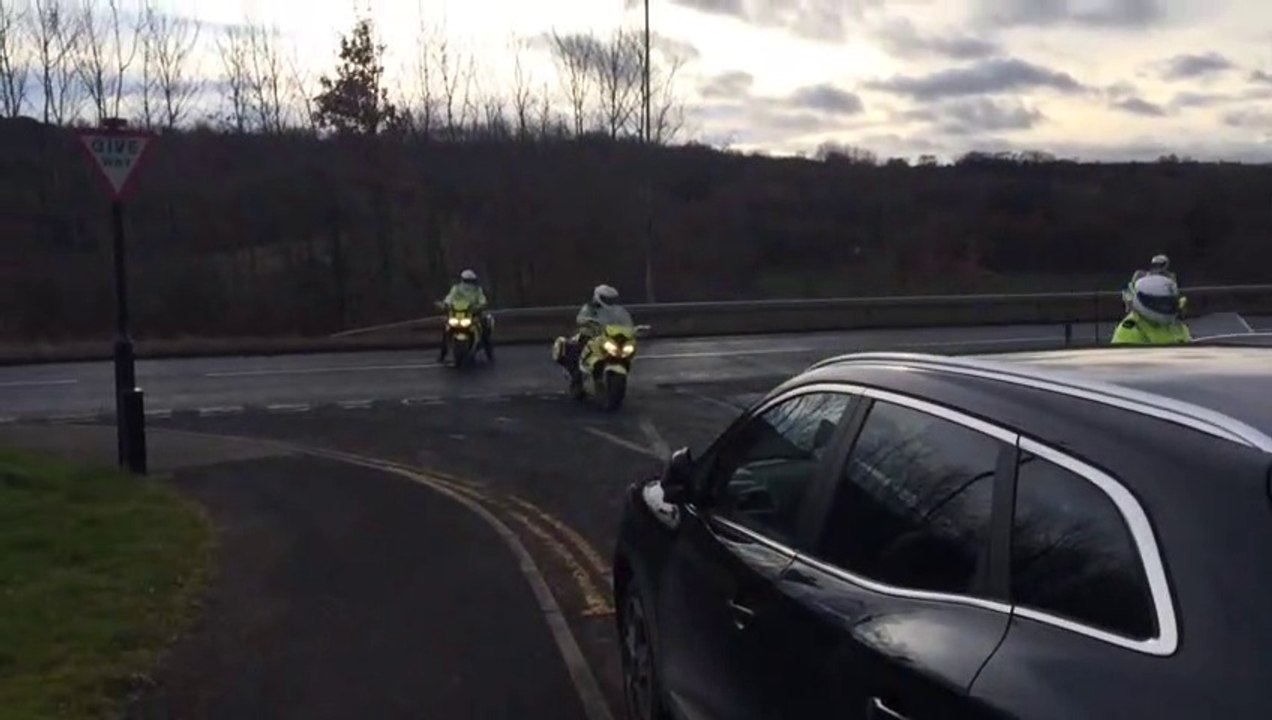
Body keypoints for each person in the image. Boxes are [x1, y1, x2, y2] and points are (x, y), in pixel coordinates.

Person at [560, 284, 629, 388]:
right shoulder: (589, 307)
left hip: (608, 336)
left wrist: (630, 329)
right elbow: (580, 318)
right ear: (598, 297)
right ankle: (578, 379)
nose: (609, 301)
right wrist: (588, 321)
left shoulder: (616, 311)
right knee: (582, 350)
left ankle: (604, 378)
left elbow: (624, 321)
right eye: (606, 299)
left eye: (610, 299)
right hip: (590, 336)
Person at [1112, 273, 1191, 346]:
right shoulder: (1131, 329)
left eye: (1170, 303)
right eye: (1162, 304)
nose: (1168, 307)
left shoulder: (1176, 324)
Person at [438, 269, 493, 362]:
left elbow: (482, 300)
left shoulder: (477, 290)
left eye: (470, 281)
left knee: (483, 327)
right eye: (466, 281)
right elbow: (449, 298)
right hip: (457, 314)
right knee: (446, 329)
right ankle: (443, 353)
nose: (468, 284)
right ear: (462, 280)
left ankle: (489, 352)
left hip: (473, 313)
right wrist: (445, 305)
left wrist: (481, 305)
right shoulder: (456, 289)